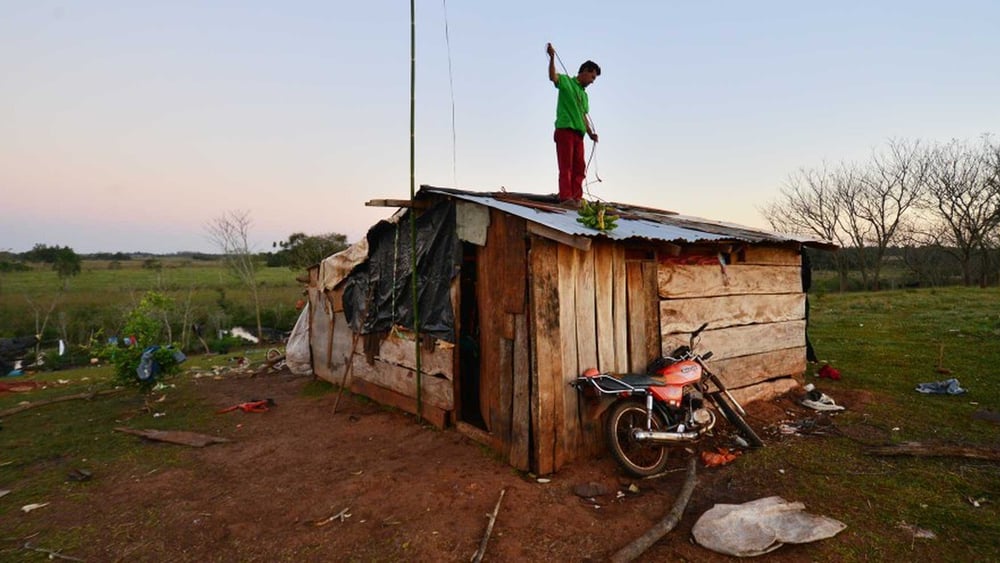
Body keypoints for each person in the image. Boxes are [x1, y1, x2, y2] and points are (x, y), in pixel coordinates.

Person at [546, 42, 600, 204]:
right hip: (565, 130)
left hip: (579, 134)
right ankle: (566, 197)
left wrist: (591, 133)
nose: (592, 81)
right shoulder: (566, 81)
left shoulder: (584, 95)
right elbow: (552, 77)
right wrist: (552, 58)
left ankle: (577, 197)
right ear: (585, 72)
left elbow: (584, 116)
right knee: (566, 166)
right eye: (592, 77)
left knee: (579, 168)